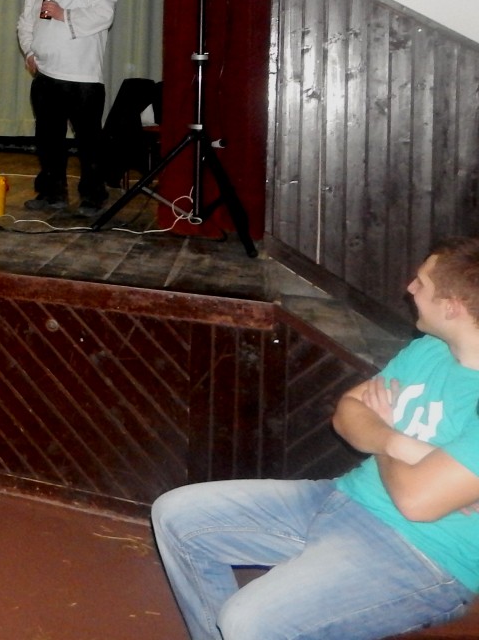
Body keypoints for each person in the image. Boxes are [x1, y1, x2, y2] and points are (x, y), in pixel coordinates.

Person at [152, 238, 479, 640]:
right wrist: (399, 444)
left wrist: (381, 435)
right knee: (177, 516)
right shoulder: (430, 350)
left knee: (248, 620)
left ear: (452, 306)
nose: (410, 288)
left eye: (422, 283)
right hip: (342, 498)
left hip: (424, 554)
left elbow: (415, 502)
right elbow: (347, 413)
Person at [15, 0, 117, 217]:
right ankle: (52, 193)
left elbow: (104, 14)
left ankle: (93, 196)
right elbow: (25, 22)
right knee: (48, 139)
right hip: (46, 75)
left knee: (88, 140)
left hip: (81, 75)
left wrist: (65, 14)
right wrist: (30, 51)